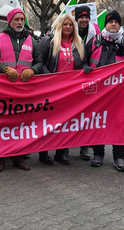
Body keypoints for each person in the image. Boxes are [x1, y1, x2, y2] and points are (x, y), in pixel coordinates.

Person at [0, 8, 43, 173]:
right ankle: (1, 158)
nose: (19, 22)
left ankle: (19, 158)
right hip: (3, 91)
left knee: (21, 125)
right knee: (3, 125)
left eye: (21, 19)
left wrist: (33, 70)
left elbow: (39, 63)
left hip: (24, 91)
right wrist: (4, 69)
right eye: (16, 19)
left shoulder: (32, 41)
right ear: (9, 21)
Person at [84, 10, 124, 172]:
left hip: (118, 94)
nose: (113, 24)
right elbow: (82, 60)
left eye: (116, 22)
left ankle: (119, 156)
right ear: (106, 24)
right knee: (97, 123)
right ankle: (98, 154)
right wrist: (85, 68)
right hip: (98, 93)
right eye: (110, 22)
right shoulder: (95, 41)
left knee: (118, 124)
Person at [38, 13, 86, 166]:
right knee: (47, 121)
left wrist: (86, 69)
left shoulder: (78, 44)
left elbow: (82, 63)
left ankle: (61, 152)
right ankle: (43, 153)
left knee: (66, 122)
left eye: (70, 25)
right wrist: (50, 77)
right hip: (51, 89)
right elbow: (39, 62)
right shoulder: (48, 42)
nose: (68, 27)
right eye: (65, 24)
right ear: (59, 25)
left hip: (70, 91)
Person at [74, 5, 100, 160]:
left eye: (86, 17)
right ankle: (63, 148)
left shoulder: (96, 32)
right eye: (81, 17)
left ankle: (85, 147)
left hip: (89, 77)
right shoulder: (68, 30)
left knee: (86, 114)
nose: (84, 20)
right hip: (72, 78)